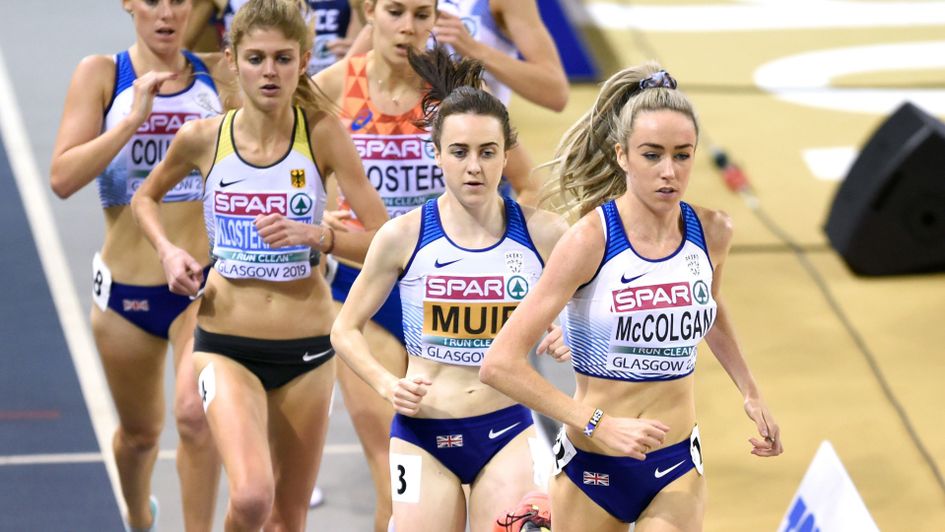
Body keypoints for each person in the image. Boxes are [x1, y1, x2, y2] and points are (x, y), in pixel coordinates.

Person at [481, 64, 784, 531]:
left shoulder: (713, 231)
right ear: (622, 155)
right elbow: (499, 363)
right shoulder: (589, 240)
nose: (669, 172)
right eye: (652, 155)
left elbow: (711, 309)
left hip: (677, 465)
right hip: (593, 467)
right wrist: (595, 421)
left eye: (682, 156)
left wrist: (750, 390)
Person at [131, 0, 387, 530]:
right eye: (255, 58)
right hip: (225, 344)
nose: (269, 71)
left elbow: (388, 240)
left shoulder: (321, 134)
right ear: (231, 60)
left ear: (303, 60)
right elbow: (144, 198)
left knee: (288, 519)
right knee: (250, 498)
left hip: (310, 349)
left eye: (282, 58)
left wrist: (322, 235)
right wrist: (169, 250)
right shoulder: (204, 138)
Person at [330, 43, 570, 531]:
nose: (474, 167)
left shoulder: (545, 233)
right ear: (437, 154)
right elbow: (345, 329)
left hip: (504, 432)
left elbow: (599, 300)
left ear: (507, 153)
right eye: (459, 152)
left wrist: (570, 328)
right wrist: (386, 383)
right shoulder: (402, 236)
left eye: (487, 152)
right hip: (422, 435)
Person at [49, 1, 234, 530]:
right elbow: (63, 178)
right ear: (129, 3)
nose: (166, 13)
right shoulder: (103, 74)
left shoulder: (218, 74)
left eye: (179, 0)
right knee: (141, 436)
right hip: (128, 295)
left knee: (196, 419)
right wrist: (132, 121)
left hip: (201, 288)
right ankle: (137, 515)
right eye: (153, 0)